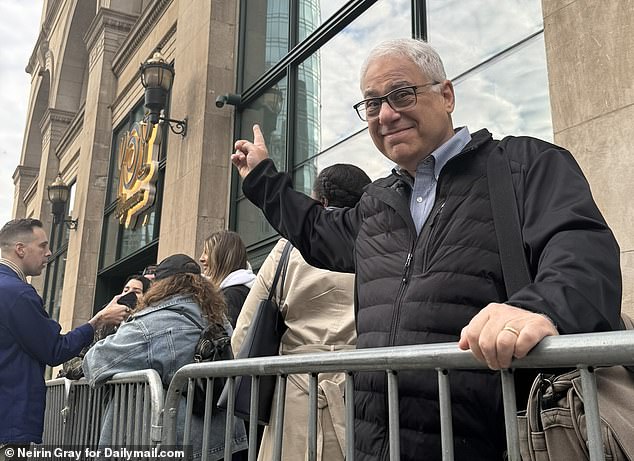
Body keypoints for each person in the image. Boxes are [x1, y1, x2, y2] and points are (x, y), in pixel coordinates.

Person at [230, 38, 622, 461]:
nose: (386, 114)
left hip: (494, 442)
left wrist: (537, 308)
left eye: (401, 94)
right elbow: (315, 230)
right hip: (375, 445)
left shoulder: (525, 166)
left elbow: (583, 255)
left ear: (447, 95)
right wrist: (261, 179)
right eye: (373, 103)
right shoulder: (377, 201)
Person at [232, 163, 371, 461]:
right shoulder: (376, 244)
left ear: (319, 201)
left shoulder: (286, 250)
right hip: (361, 398)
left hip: (293, 397)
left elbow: (243, 332)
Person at [82, 254, 247, 459]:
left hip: (175, 444)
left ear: (161, 286)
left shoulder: (152, 323)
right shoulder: (219, 319)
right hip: (224, 441)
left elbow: (94, 364)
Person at [0, 218, 128, 453]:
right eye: (42, 246)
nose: (49, 253)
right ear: (20, 249)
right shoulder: (17, 293)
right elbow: (55, 350)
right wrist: (98, 320)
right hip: (8, 422)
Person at [59, 274, 152, 380]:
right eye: (126, 290)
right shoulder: (106, 325)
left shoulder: (142, 326)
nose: (129, 294)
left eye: (136, 291)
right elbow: (71, 357)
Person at [200, 230, 255, 327]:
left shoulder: (231, 296)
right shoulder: (243, 291)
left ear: (221, 258)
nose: (201, 258)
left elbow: (229, 339)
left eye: (206, 252)